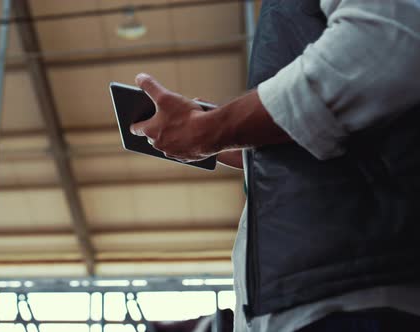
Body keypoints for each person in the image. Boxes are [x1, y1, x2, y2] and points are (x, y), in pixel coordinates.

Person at [129, 0, 420, 331]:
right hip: (312, 293)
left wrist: (211, 130)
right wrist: (205, 136)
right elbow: (311, 139)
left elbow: (380, 47)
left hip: (348, 294)